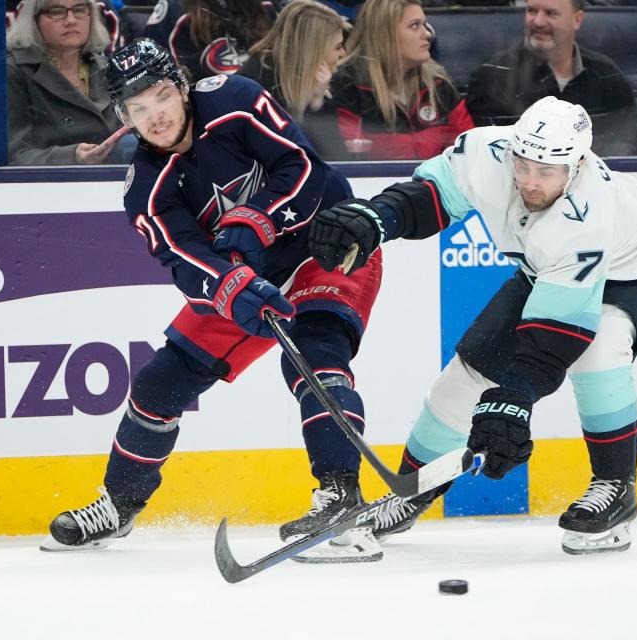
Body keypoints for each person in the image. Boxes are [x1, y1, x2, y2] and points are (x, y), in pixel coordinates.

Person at [306, 96, 637, 554]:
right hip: (546, 269)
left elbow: (557, 334)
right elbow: (432, 197)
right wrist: (378, 217)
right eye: (524, 163)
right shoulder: (488, 151)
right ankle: (410, 490)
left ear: (576, 166)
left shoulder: (586, 215)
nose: (530, 181)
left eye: (546, 171)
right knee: (465, 378)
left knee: (598, 350)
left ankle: (615, 489)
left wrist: (514, 398)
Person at [41, 38, 384, 563]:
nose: (154, 115)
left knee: (317, 358)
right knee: (159, 383)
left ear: (180, 84)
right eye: (137, 108)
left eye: (159, 95)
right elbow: (186, 261)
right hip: (249, 275)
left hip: (328, 245)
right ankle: (119, 504)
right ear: (124, 117)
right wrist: (232, 288)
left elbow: (306, 171)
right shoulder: (147, 188)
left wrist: (255, 220)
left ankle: (341, 496)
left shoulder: (235, 100)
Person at [464, 0, 637, 156]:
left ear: (577, 19)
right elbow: (482, 150)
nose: (538, 21)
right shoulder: (492, 74)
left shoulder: (605, 72)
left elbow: (633, 139)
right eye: (532, 11)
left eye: (551, 13)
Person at [330, 0, 474, 160]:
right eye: (415, 25)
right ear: (385, 34)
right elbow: (347, 160)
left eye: (425, 25)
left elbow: (468, 152)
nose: (428, 34)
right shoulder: (349, 86)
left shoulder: (439, 85)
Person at [7, 0, 133, 165]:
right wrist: (73, 156)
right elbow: (15, 156)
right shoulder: (15, 72)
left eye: (79, 9)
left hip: (114, 177)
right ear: (34, 19)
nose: (71, 20)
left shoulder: (109, 68)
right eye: (57, 11)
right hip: (51, 183)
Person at [238, 0, 351, 161]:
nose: (343, 54)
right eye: (338, 47)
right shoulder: (256, 85)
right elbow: (287, 154)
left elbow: (337, 158)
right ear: (313, 50)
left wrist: (317, 102)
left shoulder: (317, 81)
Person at [142, 0, 276, 82]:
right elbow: (151, 70)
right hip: (211, 111)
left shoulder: (265, 6)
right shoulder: (176, 11)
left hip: (268, 101)